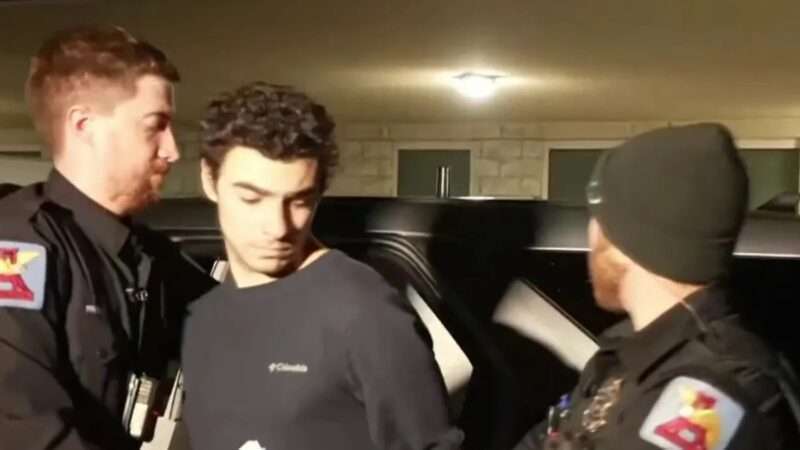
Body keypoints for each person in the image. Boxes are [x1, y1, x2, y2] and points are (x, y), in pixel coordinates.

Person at [181, 82, 462, 450]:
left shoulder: (363, 312)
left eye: (299, 201)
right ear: (209, 180)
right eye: (251, 198)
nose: (278, 227)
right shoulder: (203, 316)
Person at [513, 123, 800, 450]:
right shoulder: (626, 358)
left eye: (600, 218)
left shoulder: (711, 394)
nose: (592, 235)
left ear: (626, 241)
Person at [0, 25, 216, 449]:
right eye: (155, 126)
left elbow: (245, 322)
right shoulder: (17, 249)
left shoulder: (148, 255)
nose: (172, 150)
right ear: (84, 125)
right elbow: (25, 427)